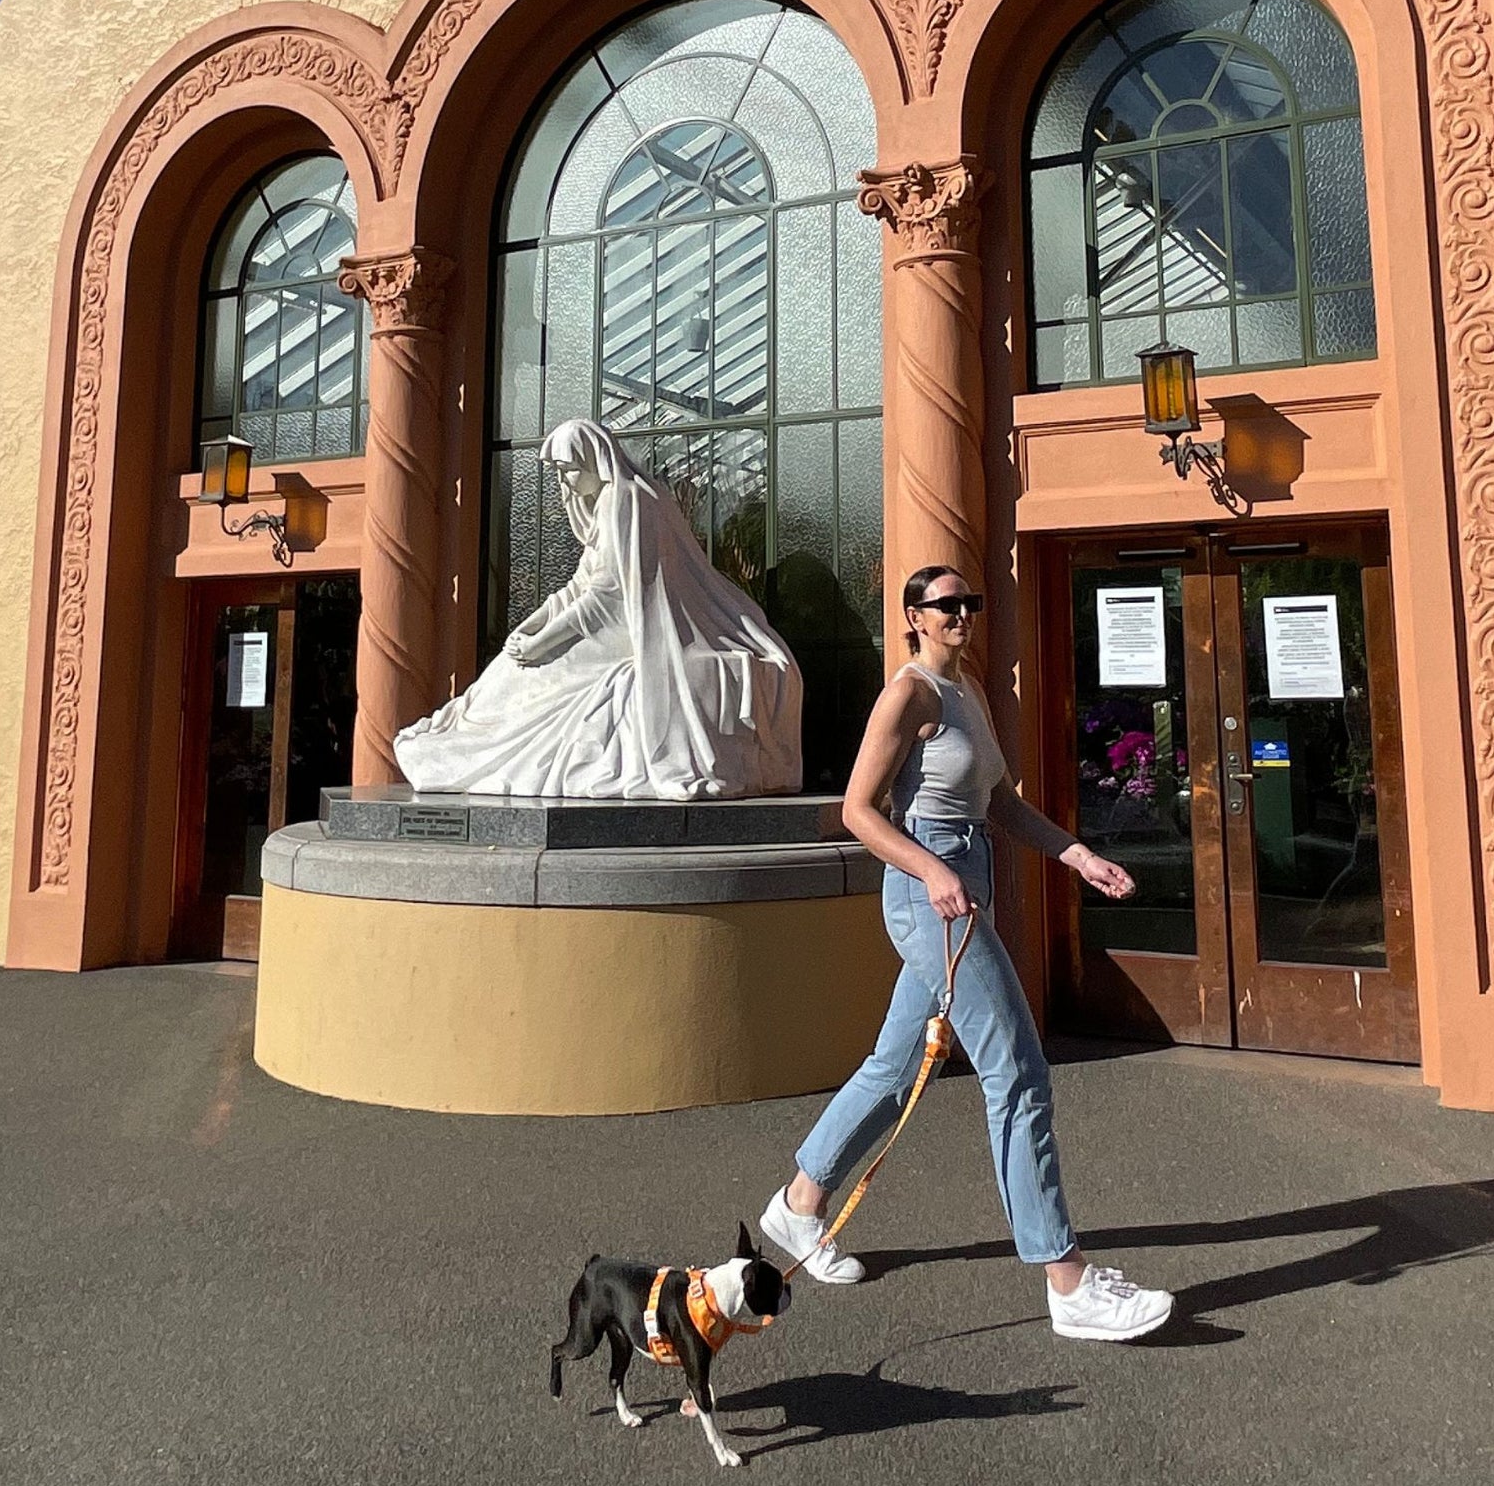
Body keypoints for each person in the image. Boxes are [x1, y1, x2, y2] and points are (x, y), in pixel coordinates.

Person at [759, 564, 1174, 1341]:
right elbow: (856, 810)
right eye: (946, 606)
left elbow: (1002, 804)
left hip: (963, 878)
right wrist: (933, 867)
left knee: (893, 1065)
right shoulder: (908, 694)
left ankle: (800, 1203)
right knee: (1017, 1070)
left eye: (969, 604)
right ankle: (1068, 1279)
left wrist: (1076, 855)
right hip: (930, 894)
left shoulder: (968, 694)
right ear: (913, 616)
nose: (962, 615)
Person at [393, 419, 801, 799]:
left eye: (569, 469)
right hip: (604, 620)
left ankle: (456, 756)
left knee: (525, 679)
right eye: (557, 471)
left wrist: (543, 644)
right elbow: (580, 585)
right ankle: (450, 745)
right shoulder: (609, 502)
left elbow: (608, 598)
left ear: (595, 461)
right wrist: (531, 628)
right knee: (507, 668)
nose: (563, 481)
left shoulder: (628, 501)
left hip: (631, 627)